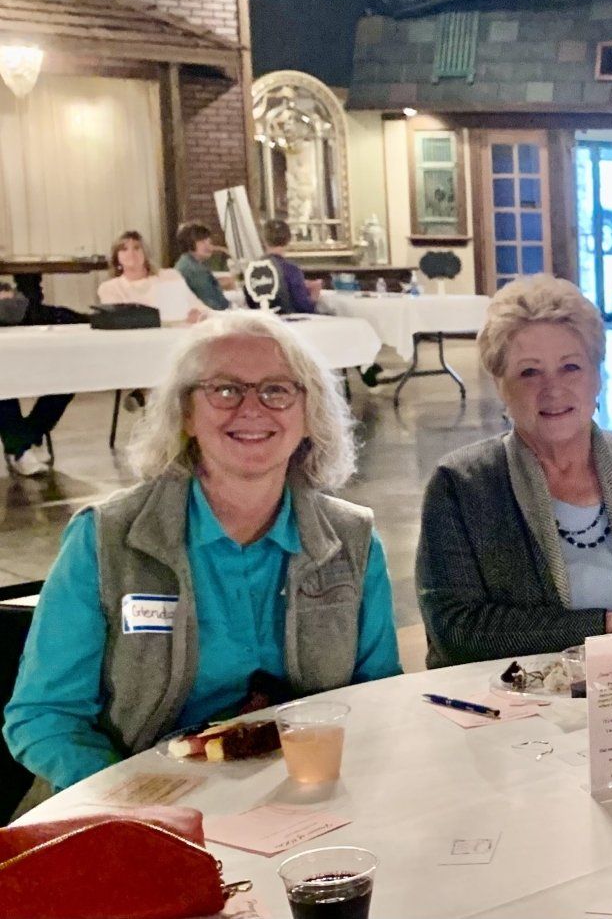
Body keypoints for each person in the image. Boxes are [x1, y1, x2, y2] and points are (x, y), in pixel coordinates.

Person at [3, 311, 402, 794]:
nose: (252, 408)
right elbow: (44, 715)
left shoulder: (352, 540)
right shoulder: (105, 539)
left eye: (277, 390)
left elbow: (379, 695)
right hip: (137, 804)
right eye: (225, 389)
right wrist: (136, 800)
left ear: (308, 414)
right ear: (186, 415)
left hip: (304, 794)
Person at [417, 277, 612, 666]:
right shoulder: (460, 486)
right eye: (529, 372)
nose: (553, 389)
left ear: (598, 377)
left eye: (571, 367)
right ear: (501, 386)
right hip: (508, 699)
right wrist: (604, 629)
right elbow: (457, 629)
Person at [0, 283, 77, 478]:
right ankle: (20, 450)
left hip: (25, 355)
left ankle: (22, 439)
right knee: (3, 384)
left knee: (67, 380)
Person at [98, 231, 204, 322]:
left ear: (145, 253)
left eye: (136, 248)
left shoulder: (169, 277)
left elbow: (198, 307)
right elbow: (119, 321)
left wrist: (197, 315)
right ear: (117, 258)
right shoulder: (109, 288)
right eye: (124, 249)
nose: (131, 253)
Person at [244, 219, 319, 315]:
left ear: (264, 240)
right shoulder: (292, 270)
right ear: (288, 240)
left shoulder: (252, 269)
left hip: (262, 321)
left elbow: (250, 303)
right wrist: (314, 294)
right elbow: (304, 308)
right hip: (289, 321)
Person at [173, 222, 231, 313]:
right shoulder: (193, 270)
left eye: (209, 242)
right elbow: (213, 305)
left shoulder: (188, 262)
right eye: (202, 242)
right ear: (189, 243)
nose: (209, 246)